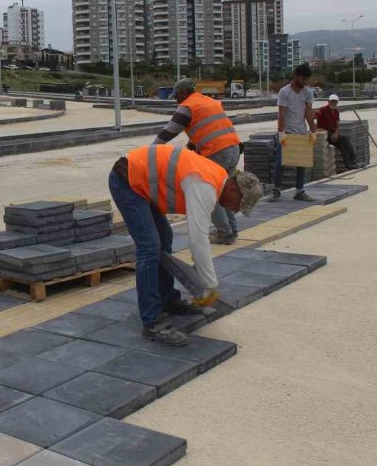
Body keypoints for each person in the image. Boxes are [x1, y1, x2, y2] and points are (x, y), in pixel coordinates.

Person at [109, 145, 263, 346]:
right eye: (239, 204)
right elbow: (197, 239)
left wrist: (205, 283)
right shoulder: (205, 184)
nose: (235, 210)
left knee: (164, 237)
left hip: (141, 182)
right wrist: (209, 285)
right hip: (126, 180)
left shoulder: (216, 179)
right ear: (233, 189)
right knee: (149, 247)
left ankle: (167, 300)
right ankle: (152, 321)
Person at [153, 78, 242, 244]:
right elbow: (207, 128)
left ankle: (225, 232)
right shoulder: (209, 101)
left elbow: (169, 132)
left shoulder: (187, 106)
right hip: (234, 149)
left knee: (210, 193)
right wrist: (191, 147)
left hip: (217, 152)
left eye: (177, 96)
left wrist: (151, 150)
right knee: (224, 190)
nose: (175, 100)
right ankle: (233, 229)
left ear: (184, 93)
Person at [270, 64, 317, 202]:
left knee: (301, 163)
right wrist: (281, 133)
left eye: (307, 80)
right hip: (288, 132)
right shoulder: (284, 92)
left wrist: (313, 131)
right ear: (296, 76)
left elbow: (309, 112)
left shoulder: (307, 92)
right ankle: (276, 190)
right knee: (280, 162)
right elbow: (282, 115)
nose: (305, 82)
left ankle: (299, 191)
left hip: (301, 132)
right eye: (303, 79)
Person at [315, 94, 362, 170]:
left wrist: (336, 134)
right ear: (328, 101)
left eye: (335, 102)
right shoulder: (323, 110)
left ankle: (351, 163)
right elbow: (313, 116)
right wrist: (317, 129)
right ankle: (352, 162)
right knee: (344, 140)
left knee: (343, 145)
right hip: (325, 133)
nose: (333, 103)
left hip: (333, 133)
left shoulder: (336, 111)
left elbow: (337, 124)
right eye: (332, 101)